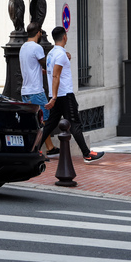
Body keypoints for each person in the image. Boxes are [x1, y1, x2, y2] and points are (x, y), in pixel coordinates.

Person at [42, 26, 104, 163]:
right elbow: (56, 76)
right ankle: (87, 154)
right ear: (64, 37)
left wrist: (53, 97)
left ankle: (32, 150)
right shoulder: (60, 54)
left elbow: (53, 73)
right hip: (64, 95)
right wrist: (54, 97)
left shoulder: (51, 54)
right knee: (75, 123)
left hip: (57, 95)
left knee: (50, 124)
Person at [19, 22, 59, 157]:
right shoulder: (37, 48)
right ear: (38, 33)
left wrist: (39, 71)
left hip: (25, 91)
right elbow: (47, 64)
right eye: (40, 32)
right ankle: (36, 149)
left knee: (37, 120)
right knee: (44, 120)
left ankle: (50, 148)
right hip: (36, 90)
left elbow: (31, 66)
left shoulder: (23, 47)